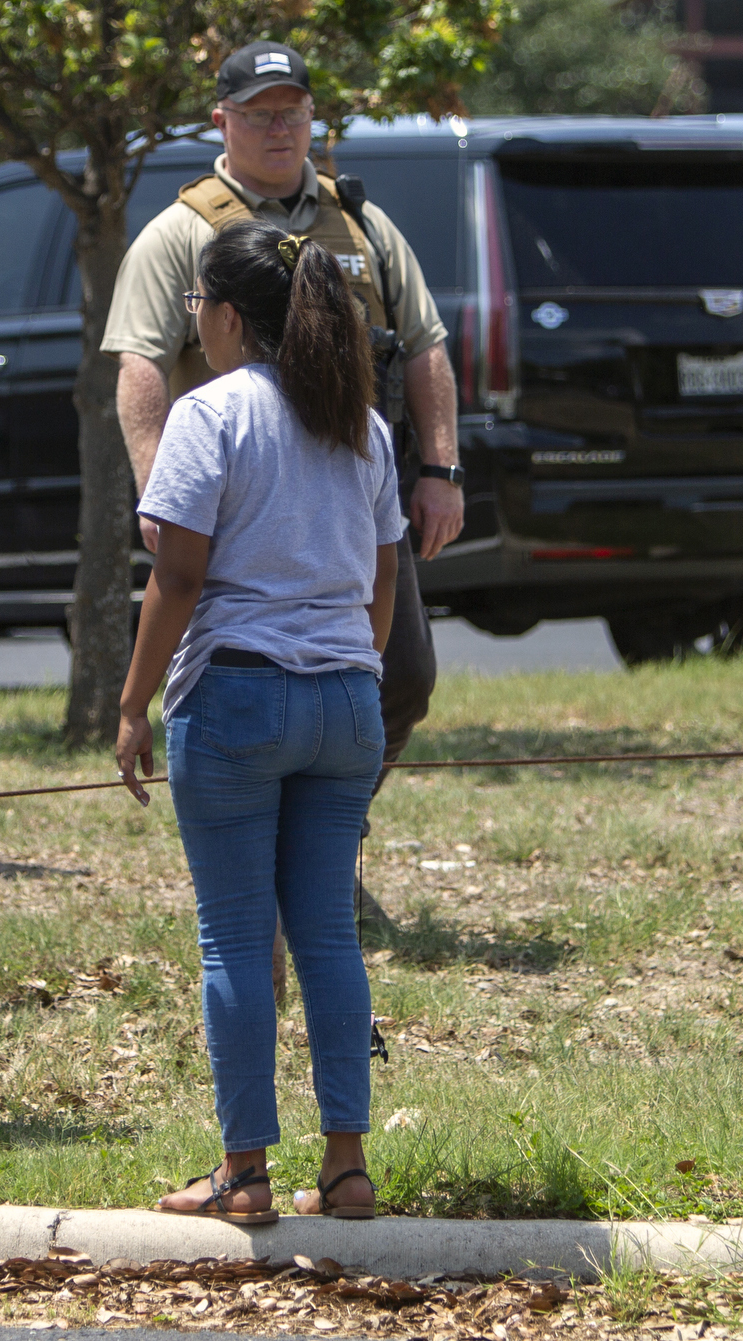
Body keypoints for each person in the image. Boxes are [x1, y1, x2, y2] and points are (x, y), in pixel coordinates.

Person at [103, 40, 462, 941]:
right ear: (221, 120)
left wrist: (440, 470)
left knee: (401, 678)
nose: (277, 127)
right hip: (230, 497)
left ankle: (326, 846)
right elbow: (141, 369)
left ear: (313, 120)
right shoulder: (182, 231)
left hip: (350, 498)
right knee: (239, 685)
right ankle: (281, 871)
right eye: (259, 112)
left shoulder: (362, 225)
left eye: (292, 111)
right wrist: (159, 490)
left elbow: (422, 346)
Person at [115, 222, 399, 1222]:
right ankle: (348, 1166)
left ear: (229, 314)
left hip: (234, 693)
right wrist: (350, 664)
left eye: (198, 308)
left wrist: (131, 699)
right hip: (345, 702)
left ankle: (242, 1171)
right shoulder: (363, 422)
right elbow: (383, 576)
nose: (197, 324)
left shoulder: (210, 413)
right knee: (326, 933)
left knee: (235, 938)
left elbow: (178, 574)